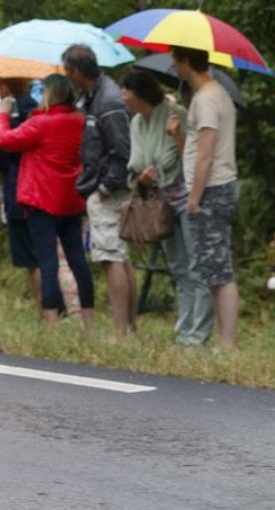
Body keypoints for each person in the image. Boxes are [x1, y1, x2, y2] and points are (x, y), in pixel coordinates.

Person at [0, 74, 95, 329]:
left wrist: (3, 115)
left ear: (49, 94)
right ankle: (89, 322)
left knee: (47, 262)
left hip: (42, 202)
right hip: (71, 201)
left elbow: (5, 140)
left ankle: (51, 322)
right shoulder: (79, 121)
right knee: (77, 260)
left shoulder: (41, 123)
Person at [121, 70, 214, 346]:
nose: (122, 96)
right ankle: (184, 333)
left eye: (125, 89)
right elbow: (136, 162)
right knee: (179, 269)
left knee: (198, 267)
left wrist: (177, 136)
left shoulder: (179, 114)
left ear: (138, 93)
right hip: (160, 203)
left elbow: (197, 159)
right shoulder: (136, 122)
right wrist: (142, 178)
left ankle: (198, 337)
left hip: (188, 198)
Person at [63, 44, 137, 342]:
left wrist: (104, 188)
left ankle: (120, 333)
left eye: (69, 72)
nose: (68, 78)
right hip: (103, 186)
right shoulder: (93, 97)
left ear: (77, 72)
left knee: (111, 257)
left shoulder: (108, 100)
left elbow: (122, 150)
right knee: (120, 255)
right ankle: (130, 328)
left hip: (109, 190)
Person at [170, 46, 240, 350]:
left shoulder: (208, 99)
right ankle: (224, 341)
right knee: (213, 269)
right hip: (213, 188)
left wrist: (194, 198)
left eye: (176, 62)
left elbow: (206, 156)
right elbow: (197, 150)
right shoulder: (210, 96)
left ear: (187, 62)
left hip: (212, 190)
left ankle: (228, 342)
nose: (174, 68)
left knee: (218, 269)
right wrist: (177, 135)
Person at [0, 78, 41, 309]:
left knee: (33, 258)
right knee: (45, 253)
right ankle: (48, 306)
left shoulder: (14, 115)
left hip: (20, 191)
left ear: (5, 88)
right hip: (43, 190)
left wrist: (2, 119)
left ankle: (45, 306)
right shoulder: (39, 110)